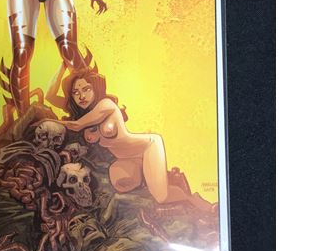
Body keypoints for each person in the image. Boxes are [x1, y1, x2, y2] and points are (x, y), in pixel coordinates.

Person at [56, 68, 210, 210]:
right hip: (126, 159)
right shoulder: (85, 113)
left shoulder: (105, 104)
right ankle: (159, 182)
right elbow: (50, 96)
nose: (81, 96)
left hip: (147, 148)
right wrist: (62, 68)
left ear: (96, 88)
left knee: (161, 197)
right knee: (120, 184)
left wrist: (46, 123)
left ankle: (191, 199)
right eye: (75, 92)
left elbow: (76, 126)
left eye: (86, 89)